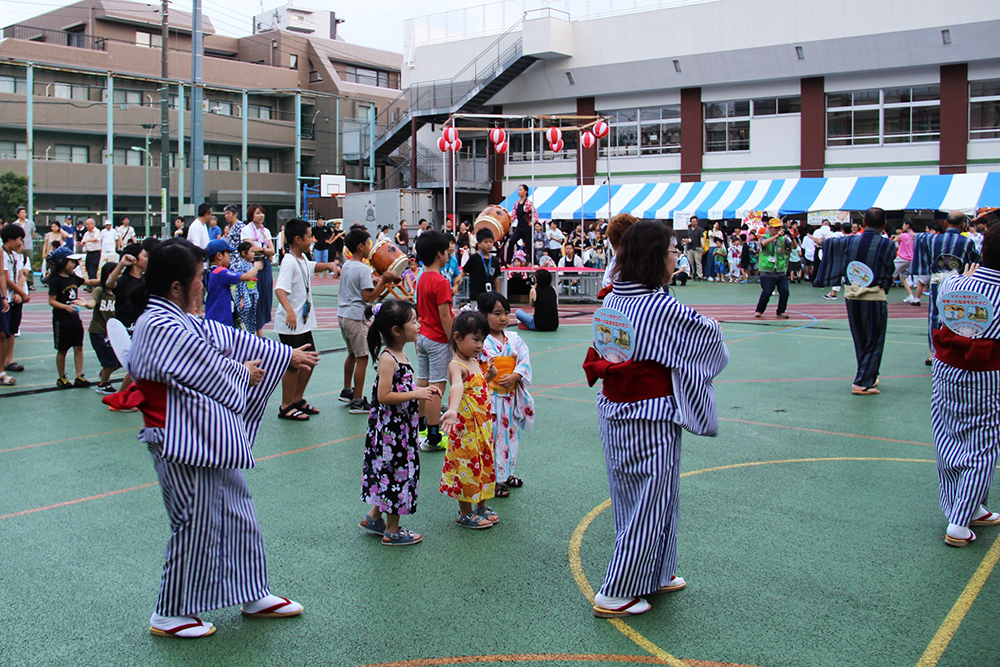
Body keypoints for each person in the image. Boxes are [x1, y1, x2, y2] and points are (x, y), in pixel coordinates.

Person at [102, 238, 317, 638]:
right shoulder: (159, 323)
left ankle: (253, 592)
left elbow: (224, 338)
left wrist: (283, 356)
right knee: (193, 521)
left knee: (238, 511)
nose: (203, 284)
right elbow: (205, 366)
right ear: (176, 287)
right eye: (199, 278)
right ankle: (170, 612)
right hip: (177, 438)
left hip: (202, 435)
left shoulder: (176, 317)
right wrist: (244, 373)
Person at [583, 221, 729, 618]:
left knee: (637, 496)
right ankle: (617, 590)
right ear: (655, 258)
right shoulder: (661, 306)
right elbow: (709, 341)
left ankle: (656, 572)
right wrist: (715, 327)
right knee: (651, 498)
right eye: (671, 252)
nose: (675, 258)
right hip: (650, 412)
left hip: (615, 408)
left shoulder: (612, 299)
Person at [930, 224, 1000, 547]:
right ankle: (958, 522)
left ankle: (971, 506)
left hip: (946, 370)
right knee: (983, 445)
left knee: (947, 434)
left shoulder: (952, 283)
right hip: (986, 375)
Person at [359, 299, 441, 546]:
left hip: (400, 430)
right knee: (396, 474)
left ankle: (374, 517)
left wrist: (422, 390)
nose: (419, 325)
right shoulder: (388, 358)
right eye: (414, 321)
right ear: (396, 330)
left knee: (389, 472)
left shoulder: (400, 352)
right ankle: (392, 530)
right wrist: (416, 393)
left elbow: (400, 387)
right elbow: (384, 396)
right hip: (391, 433)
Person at [813, 207, 897, 395]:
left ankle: (868, 374)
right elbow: (889, 268)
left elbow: (827, 245)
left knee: (860, 337)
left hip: (852, 295)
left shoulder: (850, 241)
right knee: (874, 339)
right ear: (884, 225)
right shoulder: (888, 245)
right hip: (874, 295)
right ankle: (862, 382)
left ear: (863, 223)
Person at [273, 219, 339, 421]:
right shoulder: (289, 261)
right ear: (297, 239)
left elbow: (312, 267)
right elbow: (280, 289)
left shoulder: (301, 259)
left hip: (302, 323)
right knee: (294, 364)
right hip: (291, 324)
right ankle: (286, 406)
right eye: (309, 236)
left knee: (309, 360)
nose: (312, 240)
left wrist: (328, 264)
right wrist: (289, 310)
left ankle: (297, 399)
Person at [440, 311, 498, 529]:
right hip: (466, 430)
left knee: (483, 463)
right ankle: (465, 512)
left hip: (482, 428)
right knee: (466, 467)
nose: (480, 344)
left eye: (482, 340)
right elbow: (456, 386)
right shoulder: (457, 365)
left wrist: (490, 373)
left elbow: (482, 382)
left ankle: (481, 505)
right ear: (457, 337)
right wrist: (453, 410)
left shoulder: (474, 361)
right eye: (475, 339)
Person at [338, 228, 400, 415]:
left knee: (351, 354)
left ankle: (347, 390)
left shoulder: (348, 265)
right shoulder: (363, 268)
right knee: (363, 358)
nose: (370, 247)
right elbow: (368, 297)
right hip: (356, 316)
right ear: (360, 246)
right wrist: (384, 281)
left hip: (343, 314)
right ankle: (358, 400)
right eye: (368, 243)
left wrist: (377, 279)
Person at [478, 292, 533, 498]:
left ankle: (508, 472)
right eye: (497, 313)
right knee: (493, 438)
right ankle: (495, 479)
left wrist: (516, 375)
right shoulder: (481, 341)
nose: (503, 318)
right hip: (490, 399)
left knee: (511, 437)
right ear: (483, 315)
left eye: (506, 313)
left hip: (509, 398)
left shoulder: (514, 338)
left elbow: (524, 359)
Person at [912, 212, 981, 365]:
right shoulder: (967, 242)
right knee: (958, 314)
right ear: (963, 224)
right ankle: (954, 349)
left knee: (934, 315)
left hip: (938, 280)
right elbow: (975, 259)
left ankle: (932, 352)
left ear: (945, 223)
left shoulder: (932, 239)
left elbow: (918, 238)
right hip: (958, 283)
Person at [414, 231, 454, 453]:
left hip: (423, 336)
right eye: (447, 250)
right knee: (437, 387)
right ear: (440, 253)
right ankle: (433, 435)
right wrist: (454, 342)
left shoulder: (422, 278)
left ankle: (420, 425)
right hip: (438, 339)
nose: (449, 253)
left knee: (423, 381)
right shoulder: (441, 281)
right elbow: (445, 316)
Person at [46, 246, 98, 388]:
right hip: (61, 319)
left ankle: (79, 375)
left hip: (75, 319)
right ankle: (61, 376)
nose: (74, 265)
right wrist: (66, 307)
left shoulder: (73, 277)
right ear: (62, 262)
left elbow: (87, 282)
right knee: (62, 349)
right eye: (72, 262)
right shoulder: (56, 280)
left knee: (78, 346)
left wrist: (105, 280)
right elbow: (52, 301)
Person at [204, 239, 264, 329]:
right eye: (228, 254)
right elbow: (247, 276)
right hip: (220, 320)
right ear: (219, 256)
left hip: (214, 319)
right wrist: (256, 267)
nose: (229, 257)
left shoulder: (211, 272)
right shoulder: (220, 271)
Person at [84, 263, 120, 394]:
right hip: (98, 331)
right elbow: (92, 302)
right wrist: (87, 304)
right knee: (109, 360)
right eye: (114, 273)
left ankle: (103, 373)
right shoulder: (99, 291)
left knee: (121, 360)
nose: (118, 276)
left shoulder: (119, 291)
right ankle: (103, 385)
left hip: (113, 332)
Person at [241, 204, 276, 335]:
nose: (261, 216)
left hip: (265, 264)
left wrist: (261, 250)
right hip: (253, 264)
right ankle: (252, 329)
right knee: (253, 295)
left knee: (265, 295)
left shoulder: (265, 231)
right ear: (251, 215)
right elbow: (251, 248)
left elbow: (272, 250)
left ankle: (260, 329)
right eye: (257, 213)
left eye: (262, 213)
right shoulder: (246, 230)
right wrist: (264, 250)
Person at [754, 219, 797, 319]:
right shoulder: (765, 236)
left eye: (779, 228)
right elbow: (763, 243)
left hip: (780, 269)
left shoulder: (783, 239)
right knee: (767, 292)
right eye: (776, 228)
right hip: (767, 270)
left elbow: (794, 247)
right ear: (770, 228)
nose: (778, 230)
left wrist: (792, 237)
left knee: (785, 291)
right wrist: (776, 237)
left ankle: (781, 311)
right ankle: (759, 310)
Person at [2, 224, 29, 375]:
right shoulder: (2, 254)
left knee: (12, 329)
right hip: (4, 296)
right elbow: (6, 278)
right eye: (20, 239)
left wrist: (18, 293)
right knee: (3, 331)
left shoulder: (16, 255)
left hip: (14, 297)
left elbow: (19, 275)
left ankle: (9, 360)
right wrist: (22, 293)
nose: (21, 243)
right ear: (10, 239)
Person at [454, 228, 500, 302]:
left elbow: (496, 278)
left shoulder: (494, 260)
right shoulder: (474, 258)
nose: (489, 244)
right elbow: (465, 271)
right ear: (479, 244)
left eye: (491, 242)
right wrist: (459, 279)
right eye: (486, 242)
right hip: (476, 296)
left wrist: (498, 294)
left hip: (491, 295)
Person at [231, 242, 261, 334]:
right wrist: (242, 298)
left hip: (252, 292)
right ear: (243, 253)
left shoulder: (250, 265)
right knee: (244, 316)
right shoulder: (240, 265)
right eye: (251, 252)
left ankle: (251, 334)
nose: (253, 254)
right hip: (245, 293)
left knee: (252, 317)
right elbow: (241, 283)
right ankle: (243, 335)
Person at [507, 184, 538, 265]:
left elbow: (535, 214)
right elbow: (513, 215)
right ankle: (508, 262)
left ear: (525, 191)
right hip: (519, 227)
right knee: (511, 242)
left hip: (527, 228)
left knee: (528, 246)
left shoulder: (529, 203)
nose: (519, 191)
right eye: (518, 190)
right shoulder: (516, 203)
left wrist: (533, 222)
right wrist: (508, 223)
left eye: (520, 190)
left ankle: (534, 262)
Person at [893, 220, 919, 304]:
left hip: (901, 259)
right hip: (910, 260)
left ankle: (883, 295)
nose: (903, 226)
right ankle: (911, 296)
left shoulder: (903, 236)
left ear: (907, 225)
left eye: (904, 225)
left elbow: (892, 242)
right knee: (903, 278)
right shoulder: (915, 236)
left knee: (890, 275)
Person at [682, 217, 704, 281]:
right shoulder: (688, 230)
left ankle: (700, 275)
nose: (694, 222)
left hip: (697, 248)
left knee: (698, 262)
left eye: (695, 221)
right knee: (690, 263)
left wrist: (703, 245)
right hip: (690, 248)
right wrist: (685, 241)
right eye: (693, 221)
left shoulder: (699, 230)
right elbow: (685, 238)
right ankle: (691, 275)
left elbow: (701, 237)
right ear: (691, 222)